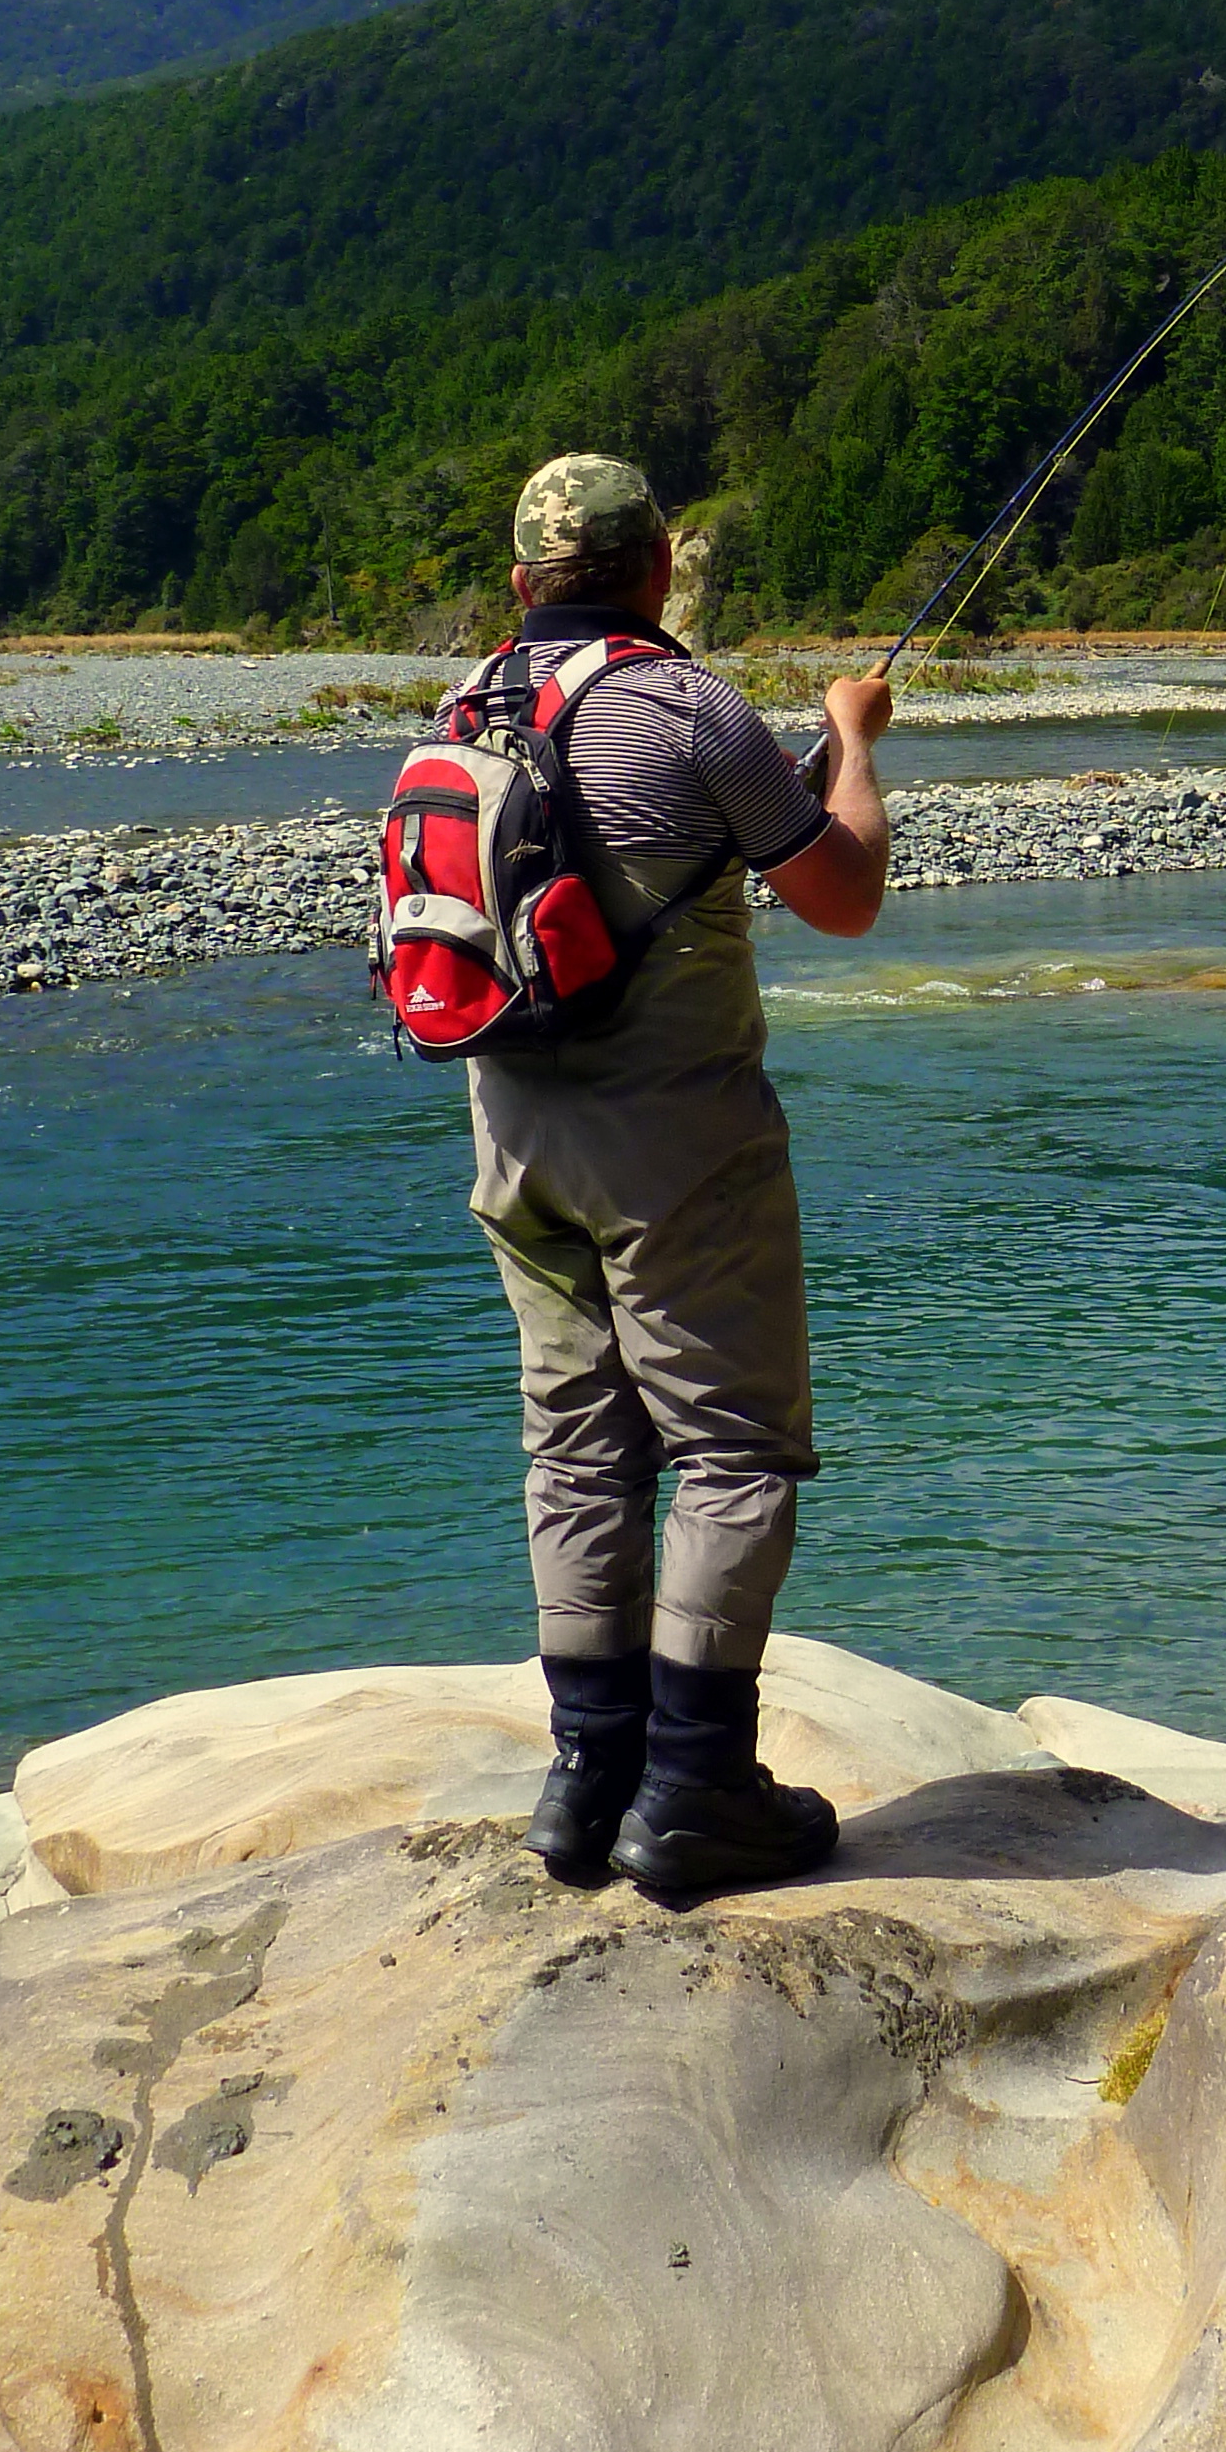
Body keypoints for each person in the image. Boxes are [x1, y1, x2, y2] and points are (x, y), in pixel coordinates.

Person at [449, 450, 892, 1902]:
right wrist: (856, 744)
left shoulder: (466, 709)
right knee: (731, 1447)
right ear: (655, 570)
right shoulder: (689, 704)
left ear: (522, 586)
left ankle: (587, 1783)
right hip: (678, 1148)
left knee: (577, 1445)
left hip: (512, 1137)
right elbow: (845, 895)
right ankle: (698, 1794)